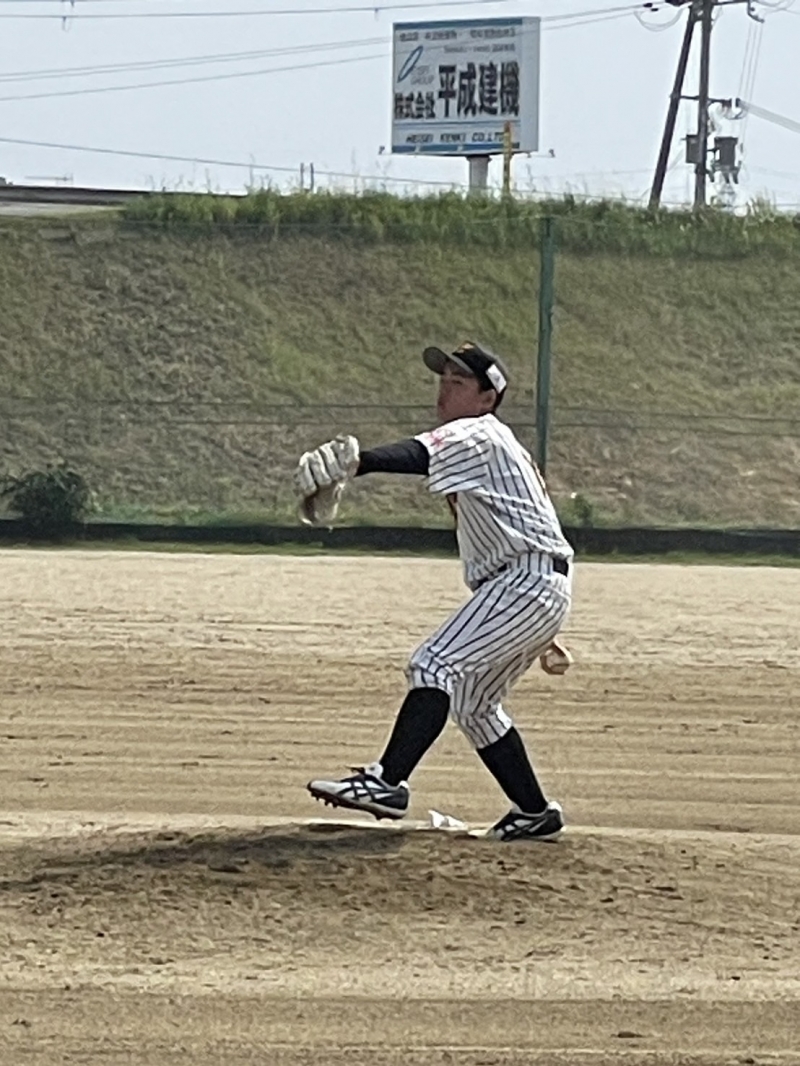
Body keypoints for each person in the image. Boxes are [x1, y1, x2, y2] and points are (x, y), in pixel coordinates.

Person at [293, 341, 574, 841]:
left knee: (433, 664)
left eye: (459, 382)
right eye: (443, 380)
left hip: (526, 582)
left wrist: (359, 462)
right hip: (533, 585)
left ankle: (387, 781)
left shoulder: (480, 433)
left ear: (487, 398)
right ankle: (534, 812)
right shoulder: (490, 448)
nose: (444, 390)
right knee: (475, 705)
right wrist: (541, 626)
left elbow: (420, 454)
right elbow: (532, 526)